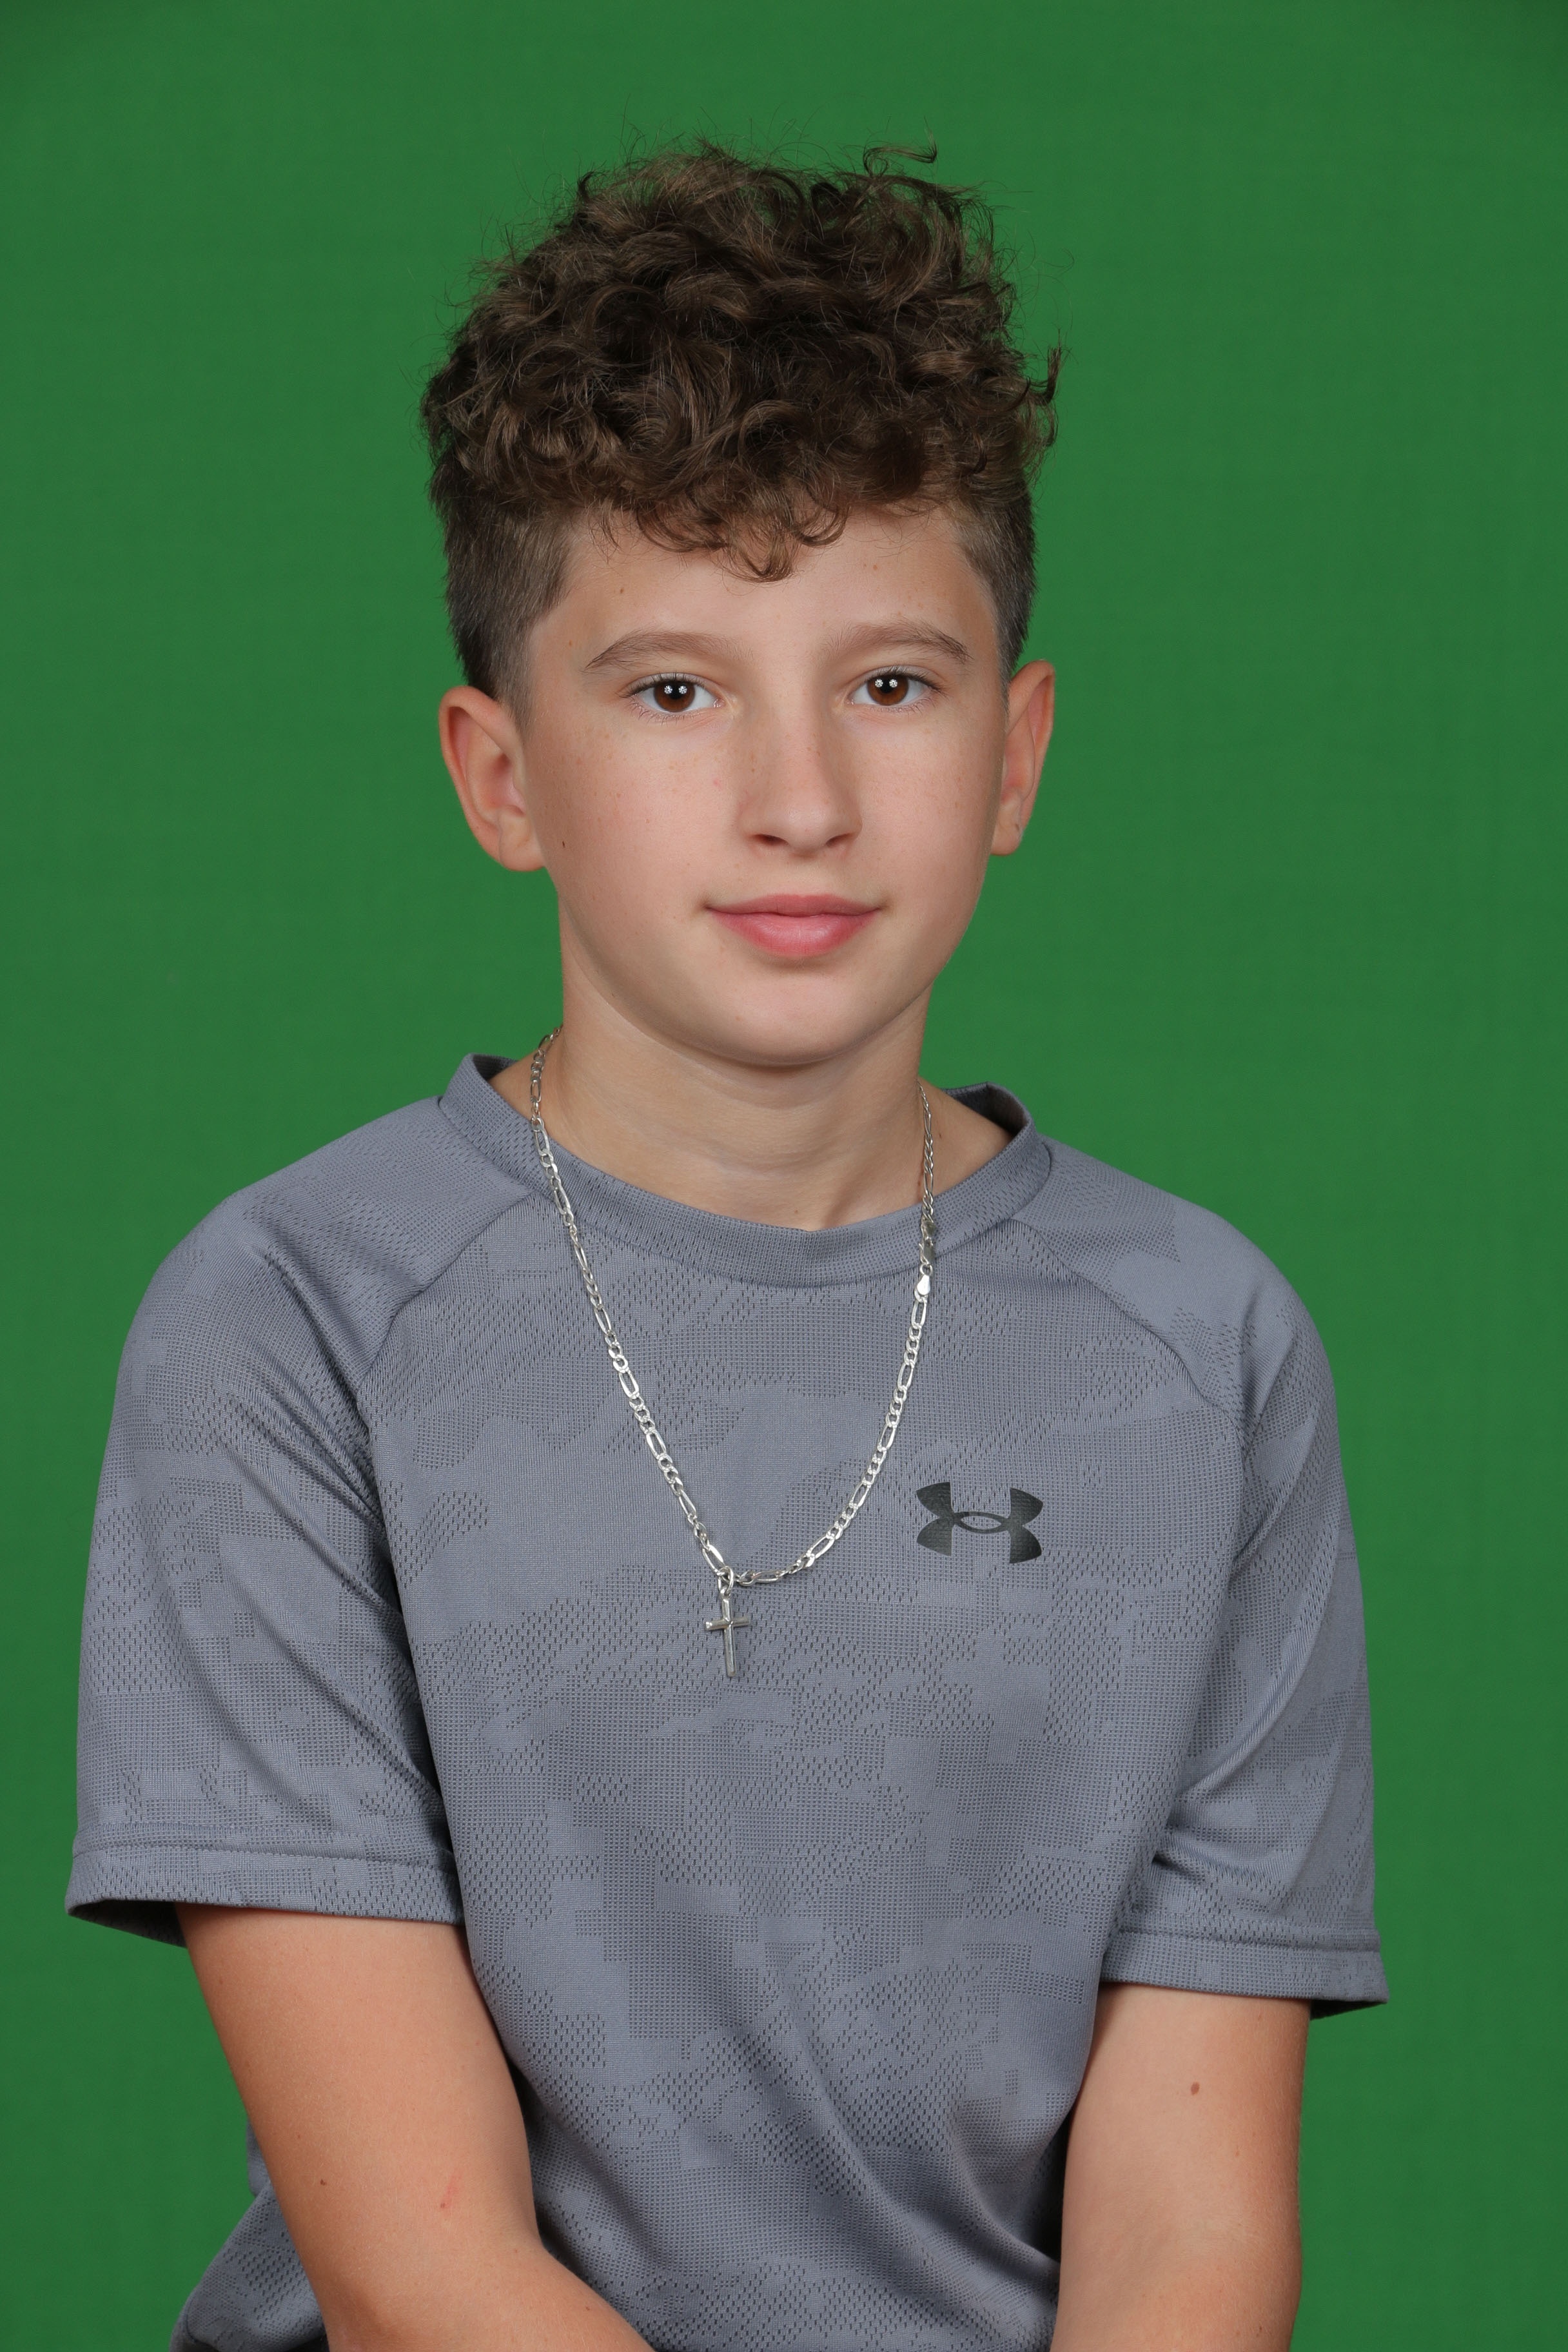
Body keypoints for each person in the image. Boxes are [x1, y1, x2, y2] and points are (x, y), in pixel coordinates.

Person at [67, 146, 1385, 2352]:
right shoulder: (292, 1319)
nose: (801, 800)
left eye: (892, 685)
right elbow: (420, 2271)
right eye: (674, 692)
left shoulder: (1203, 1346)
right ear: (502, 775)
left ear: (1016, 753)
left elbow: (1190, 2237)